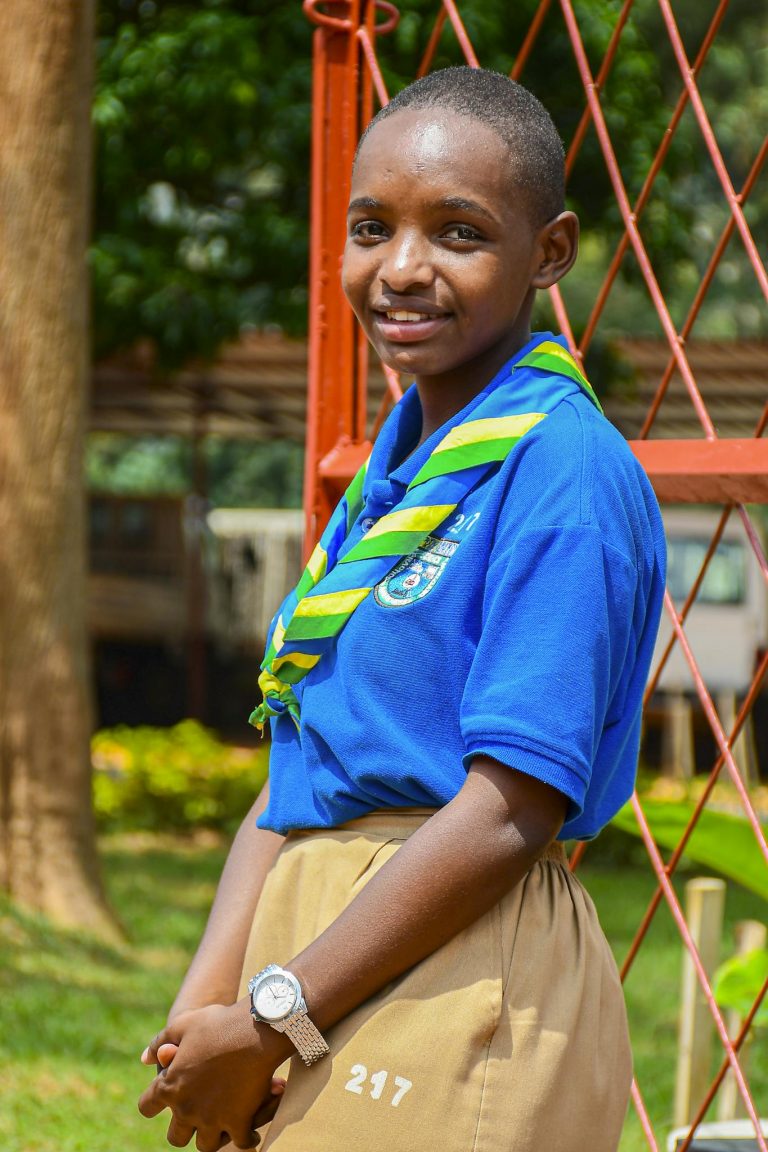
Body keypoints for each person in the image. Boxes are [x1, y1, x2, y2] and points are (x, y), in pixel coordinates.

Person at [138, 66, 666, 1152]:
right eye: (371, 227)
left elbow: (510, 807)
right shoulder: (394, 488)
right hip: (312, 969)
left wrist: (277, 1016)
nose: (402, 270)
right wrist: (208, 1017)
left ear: (550, 252)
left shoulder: (561, 470)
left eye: (460, 233)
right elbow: (295, 779)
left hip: (453, 964)